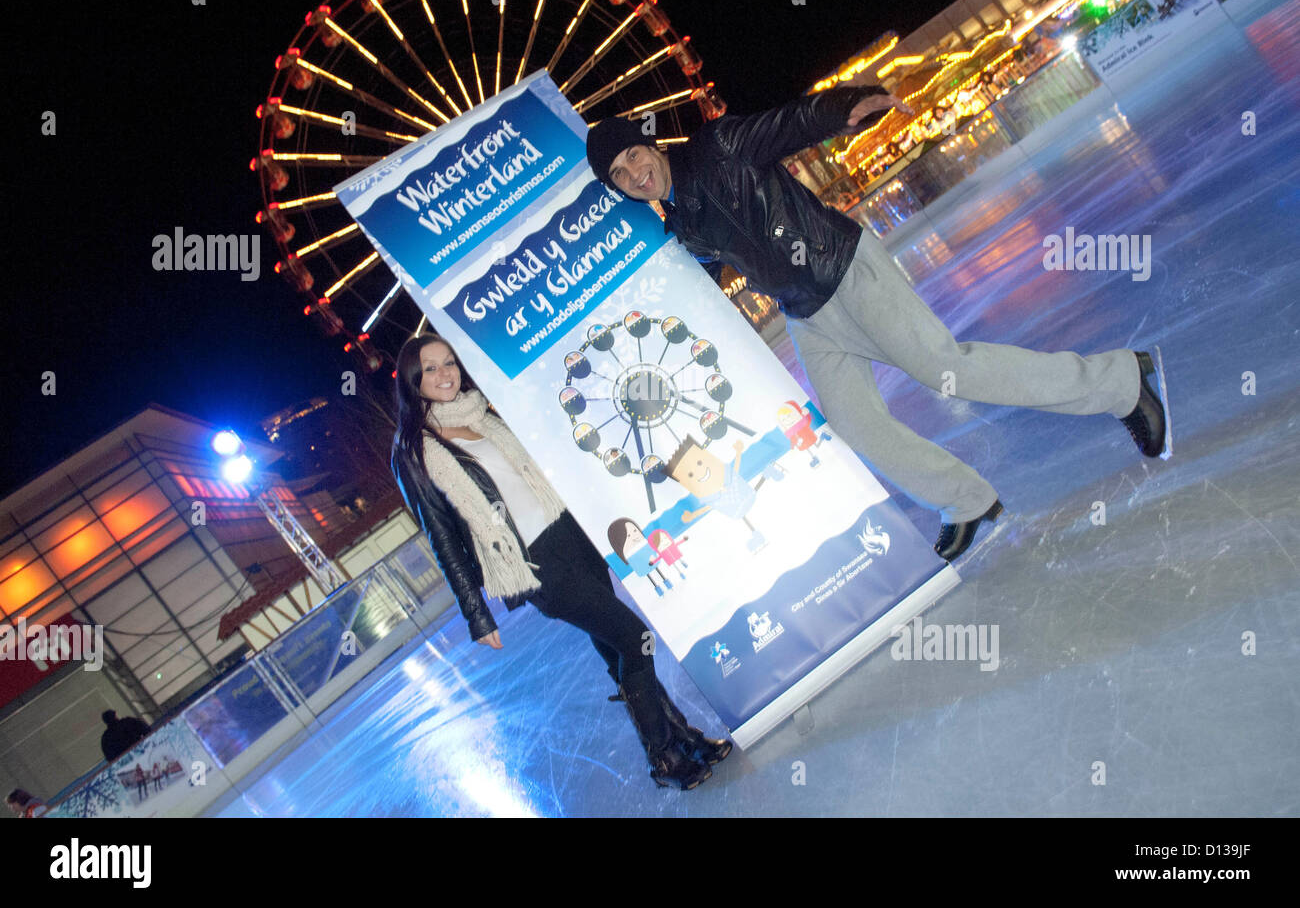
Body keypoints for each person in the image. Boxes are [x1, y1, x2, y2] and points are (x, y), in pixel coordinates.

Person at [586, 88, 1167, 561]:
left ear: (650, 144)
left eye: (633, 156)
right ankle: (963, 500)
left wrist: (842, 108)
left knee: (947, 369)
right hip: (805, 314)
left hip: (844, 271)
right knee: (857, 425)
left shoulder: (717, 147)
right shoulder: (681, 224)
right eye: (619, 174)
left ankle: (1120, 382)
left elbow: (787, 123)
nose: (634, 174)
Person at [389, 333, 731, 790]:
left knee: (616, 649)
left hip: (570, 536)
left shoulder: (484, 413)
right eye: (430, 369)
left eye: (449, 363)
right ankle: (663, 755)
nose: (444, 374)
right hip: (533, 565)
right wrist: (476, 614)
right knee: (636, 639)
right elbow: (442, 537)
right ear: (413, 380)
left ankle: (682, 739)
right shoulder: (415, 450)